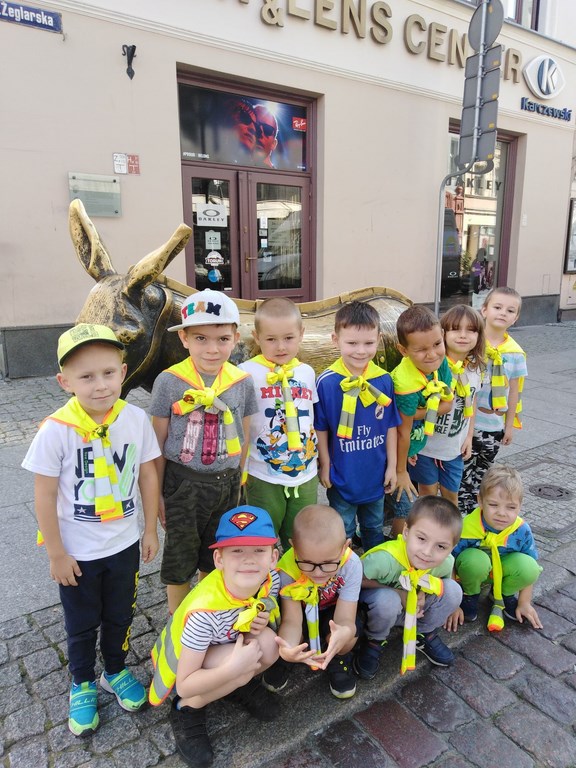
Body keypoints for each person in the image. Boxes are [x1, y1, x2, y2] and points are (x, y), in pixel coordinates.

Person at [21, 323, 161, 736]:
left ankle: (114, 670)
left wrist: (150, 530)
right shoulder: (56, 431)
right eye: (86, 377)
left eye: (108, 373)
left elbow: (147, 474)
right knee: (81, 621)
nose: (100, 385)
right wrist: (56, 554)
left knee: (120, 614)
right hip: (77, 553)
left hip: (124, 544)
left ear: (123, 372)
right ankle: (81, 680)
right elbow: (44, 495)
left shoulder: (134, 419)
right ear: (64, 382)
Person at [149, 289, 258, 613]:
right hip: (183, 483)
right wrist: (158, 496)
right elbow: (157, 443)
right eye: (201, 338)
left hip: (228, 483)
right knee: (180, 556)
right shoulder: (169, 381)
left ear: (235, 338)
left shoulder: (242, 381)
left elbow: (245, 434)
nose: (212, 349)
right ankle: (178, 622)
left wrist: (240, 480)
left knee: (217, 552)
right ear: (184, 338)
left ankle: (206, 614)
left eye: (222, 339)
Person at [149, 506, 282, 768]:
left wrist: (262, 616)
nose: (249, 560)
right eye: (237, 551)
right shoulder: (204, 613)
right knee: (240, 671)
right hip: (191, 668)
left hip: (225, 647)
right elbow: (185, 684)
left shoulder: (269, 580)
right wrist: (233, 671)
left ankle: (235, 685)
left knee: (269, 645)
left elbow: (262, 604)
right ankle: (188, 709)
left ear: (273, 557)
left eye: (259, 550)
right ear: (219, 560)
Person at [315, 301, 400, 551]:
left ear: (379, 339)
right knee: (343, 531)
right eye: (352, 343)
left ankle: (373, 567)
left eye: (368, 343)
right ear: (335, 340)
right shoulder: (327, 382)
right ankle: (344, 570)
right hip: (342, 475)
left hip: (376, 474)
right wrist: (325, 464)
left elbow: (390, 426)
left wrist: (392, 467)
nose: (361, 351)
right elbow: (321, 428)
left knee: (374, 527)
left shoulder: (383, 380)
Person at [239, 297, 318, 550]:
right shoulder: (246, 373)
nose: (281, 346)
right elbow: (240, 425)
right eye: (271, 339)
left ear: (301, 334)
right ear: (256, 337)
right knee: (263, 536)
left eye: (289, 338)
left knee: (301, 538)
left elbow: (313, 418)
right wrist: (239, 470)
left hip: (305, 473)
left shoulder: (307, 372)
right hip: (263, 474)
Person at [354, 496, 463, 680]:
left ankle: (423, 632)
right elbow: (354, 581)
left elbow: (445, 579)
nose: (427, 552)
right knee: (387, 600)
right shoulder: (384, 560)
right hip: (378, 610)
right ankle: (374, 640)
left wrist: (426, 594)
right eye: (421, 538)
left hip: (415, 611)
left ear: (452, 548)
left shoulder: (445, 562)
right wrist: (398, 593)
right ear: (406, 532)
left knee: (453, 591)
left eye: (441, 546)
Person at [262, 504, 362, 699]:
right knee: (287, 634)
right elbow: (292, 620)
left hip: (333, 611)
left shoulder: (351, 565)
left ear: (345, 547)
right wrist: (287, 649)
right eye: (307, 563)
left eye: (328, 564)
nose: (317, 573)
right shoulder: (287, 570)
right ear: (294, 547)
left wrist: (344, 633)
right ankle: (290, 658)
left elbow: (346, 617)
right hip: (301, 614)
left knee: (348, 638)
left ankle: (338, 657)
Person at [446, 465, 543, 633]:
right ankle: (470, 594)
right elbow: (449, 562)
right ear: (480, 501)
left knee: (530, 567)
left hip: (502, 572)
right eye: (493, 504)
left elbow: (531, 561)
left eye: (511, 507)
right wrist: (452, 604)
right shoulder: (466, 527)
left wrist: (524, 602)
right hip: (471, 572)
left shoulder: (521, 530)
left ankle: (504, 594)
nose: (502, 513)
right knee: (474, 561)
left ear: (520, 506)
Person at [459, 287, 527, 516]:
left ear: (516, 317)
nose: (503, 313)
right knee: (462, 475)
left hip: (494, 427)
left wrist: (509, 425)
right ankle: (462, 517)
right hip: (469, 424)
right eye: (497, 307)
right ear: (484, 310)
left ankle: (478, 516)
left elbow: (514, 392)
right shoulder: (472, 345)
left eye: (510, 310)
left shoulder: (516, 353)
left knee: (483, 476)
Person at [410, 305, 485, 507]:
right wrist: (411, 444)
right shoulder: (432, 368)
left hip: (454, 449)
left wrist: (469, 436)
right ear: (443, 333)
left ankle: (449, 527)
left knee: (451, 496)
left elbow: (473, 399)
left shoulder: (476, 369)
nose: (463, 335)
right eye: (456, 329)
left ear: (479, 335)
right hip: (426, 447)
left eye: (471, 330)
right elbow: (414, 406)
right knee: (427, 495)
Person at [389, 305, 454, 537]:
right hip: (394, 449)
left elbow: (448, 404)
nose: (432, 354)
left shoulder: (440, 364)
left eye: (437, 344)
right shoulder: (405, 385)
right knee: (403, 504)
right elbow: (401, 432)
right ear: (403, 350)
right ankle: (395, 542)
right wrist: (400, 470)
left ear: (442, 336)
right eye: (421, 349)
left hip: (412, 444)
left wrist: (418, 413)